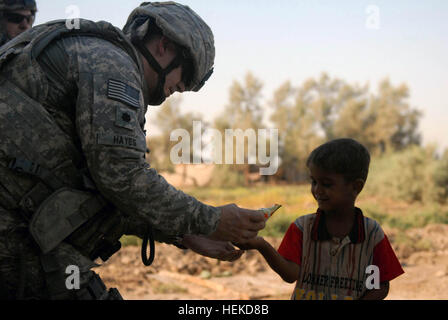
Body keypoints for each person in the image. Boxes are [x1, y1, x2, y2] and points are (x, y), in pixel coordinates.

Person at [0, 2, 265, 300]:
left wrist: (185, 235)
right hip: (14, 244)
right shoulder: (112, 65)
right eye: (184, 76)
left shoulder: (91, 52)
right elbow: (123, 178)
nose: (179, 89)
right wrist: (213, 220)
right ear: (163, 46)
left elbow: (103, 193)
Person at [237, 138, 404, 300]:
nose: (317, 190)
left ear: (355, 187)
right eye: (314, 182)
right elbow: (290, 275)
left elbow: (380, 286)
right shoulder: (302, 228)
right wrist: (261, 245)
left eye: (326, 184)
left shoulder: (372, 234)